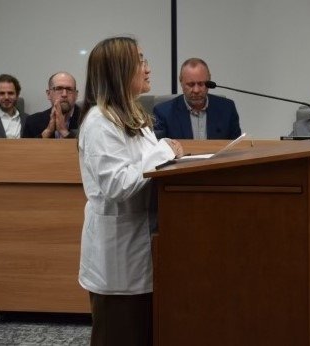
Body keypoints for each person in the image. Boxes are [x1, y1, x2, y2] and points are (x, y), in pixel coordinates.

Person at [77, 36, 184, 345]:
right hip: (118, 257)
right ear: (119, 70)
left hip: (141, 247)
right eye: (140, 61)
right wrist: (164, 151)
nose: (148, 68)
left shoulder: (133, 114)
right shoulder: (100, 122)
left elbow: (147, 169)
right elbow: (117, 184)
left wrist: (167, 155)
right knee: (119, 335)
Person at [153, 57, 242, 139]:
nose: (196, 90)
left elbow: (237, 148)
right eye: (190, 84)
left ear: (209, 82)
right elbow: (160, 151)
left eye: (201, 84)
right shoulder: (163, 113)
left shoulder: (227, 109)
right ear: (181, 82)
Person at [22, 72, 81, 138]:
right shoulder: (33, 121)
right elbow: (27, 148)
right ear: (48, 94)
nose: (64, 94)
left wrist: (64, 131)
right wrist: (48, 132)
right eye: (59, 89)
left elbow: (87, 148)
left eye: (69, 89)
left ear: (76, 95)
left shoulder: (88, 119)